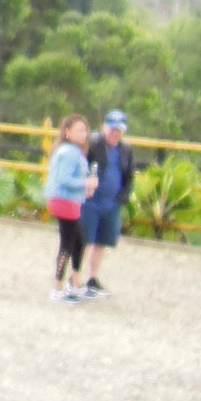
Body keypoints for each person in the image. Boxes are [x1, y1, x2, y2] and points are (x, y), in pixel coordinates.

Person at [82, 109, 134, 298]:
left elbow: (129, 176)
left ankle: (93, 278)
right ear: (104, 127)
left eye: (119, 130)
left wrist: (123, 197)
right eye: (112, 129)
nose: (115, 134)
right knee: (85, 240)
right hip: (91, 202)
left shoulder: (125, 150)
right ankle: (76, 278)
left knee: (101, 242)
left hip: (111, 204)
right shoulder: (93, 144)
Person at [45, 113, 95, 301]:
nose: (84, 134)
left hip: (69, 201)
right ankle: (58, 288)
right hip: (64, 201)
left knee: (79, 241)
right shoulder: (69, 153)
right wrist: (86, 183)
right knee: (67, 244)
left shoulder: (70, 151)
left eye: (85, 130)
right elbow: (64, 180)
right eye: (79, 130)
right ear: (67, 132)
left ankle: (75, 281)